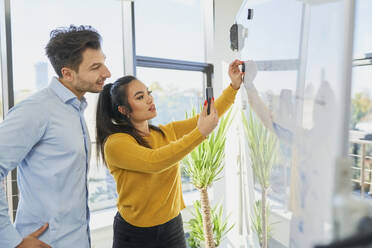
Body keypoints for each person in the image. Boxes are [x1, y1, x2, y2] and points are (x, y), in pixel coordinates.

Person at [95, 60, 245, 247]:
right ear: (124, 110)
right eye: (140, 97)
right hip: (135, 234)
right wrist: (201, 133)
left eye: (148, 93)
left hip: (172, 226)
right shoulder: (116, 144)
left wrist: (234, 86)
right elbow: (155, 162)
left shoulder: (164, 132)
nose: (150, 99)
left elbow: (205, 117)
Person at [0, 25, 111, 247]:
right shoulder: (36, 109)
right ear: (67, 73)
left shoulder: (76, 109)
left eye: (104, 62)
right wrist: (11, 242)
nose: (106, 73)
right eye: (96, 67)